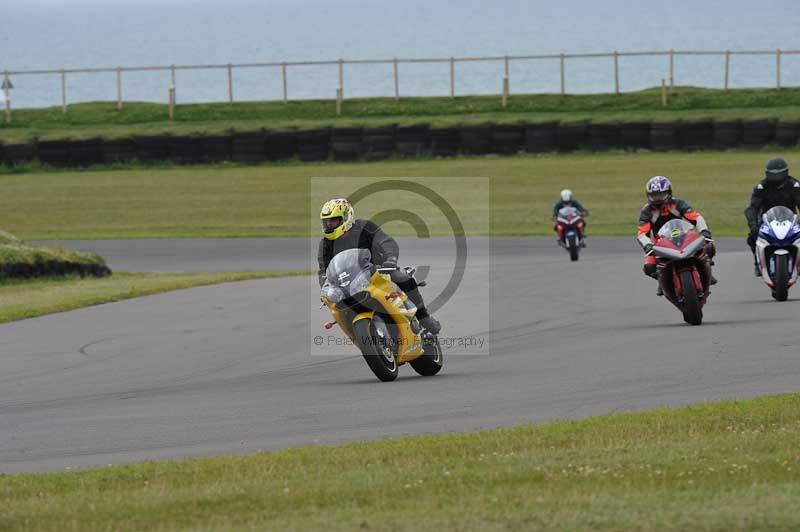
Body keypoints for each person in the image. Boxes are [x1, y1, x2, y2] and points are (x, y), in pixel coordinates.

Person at [317, 198, 441, 334]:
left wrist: (390, 260)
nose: (329, 224)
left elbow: (386, 241)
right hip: (348, 283)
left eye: (333, 220)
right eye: (326, 221)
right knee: (337, 305)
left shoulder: (365, 227)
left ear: (346, 217)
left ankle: (424, 317)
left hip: (378, 272)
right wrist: (325, 287)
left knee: (401, 276)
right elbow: (323, 271)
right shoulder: (325, 245)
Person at [636, 176, 717, 295]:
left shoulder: (677, 204)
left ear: (668, 193)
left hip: (684, 236)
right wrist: (647, 245)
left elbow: (696, 217)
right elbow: (642, 233)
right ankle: (661, 279)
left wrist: (704, 231)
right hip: (661, 243)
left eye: (660, 194)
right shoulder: (647, 211)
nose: (657, 198)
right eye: (654, 195)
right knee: (649, 267)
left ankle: (706, 268)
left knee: (710, 245)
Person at [744, 157, 800, 276]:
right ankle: (757, 262)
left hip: (790, 220)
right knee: (752, 237)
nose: (776, 178)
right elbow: (752, 208)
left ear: (785, 173)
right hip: (767, 221)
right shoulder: (762, 187)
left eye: (779, 174)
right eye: (772, 175)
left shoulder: (794, 186)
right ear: (767, 174)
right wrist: (753, 225)